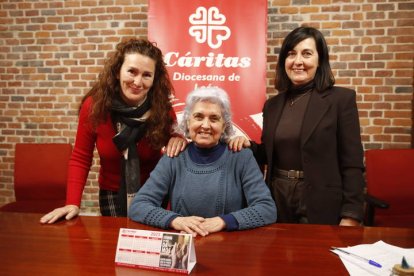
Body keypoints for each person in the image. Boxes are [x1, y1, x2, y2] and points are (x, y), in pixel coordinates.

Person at [229, 26, 365, 226]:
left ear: (320, 61)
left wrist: (351, 214)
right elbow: (270, 154)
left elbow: (352, 163)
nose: (298, 61)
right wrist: (249, 145)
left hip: (320, 199)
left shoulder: (340, 100)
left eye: (307, 54)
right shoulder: (273, 105)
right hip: (277, 195)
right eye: (291, 54)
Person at [40, 39, 186, 223]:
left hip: (154, 190)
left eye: (147, 75)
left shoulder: (161, 108)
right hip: (112, 193)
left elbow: (177, 139)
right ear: (118, 72)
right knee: (116, 247)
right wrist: (72, 203)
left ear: (154, 79)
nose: (137, 81)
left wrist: (178, 138)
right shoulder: (94, 106)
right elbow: (81, 157)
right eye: (132, 71)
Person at [128, 87, 277, 236]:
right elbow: (138, 206)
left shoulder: (241, 157)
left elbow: (266, 209)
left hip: (229, 248)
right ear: (187, 121)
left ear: (224, 125)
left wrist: (224, 221)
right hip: (184, 246)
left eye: (214, 118)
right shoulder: (173, 157)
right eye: (198, 117)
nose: (205, 125)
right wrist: (176, 220)